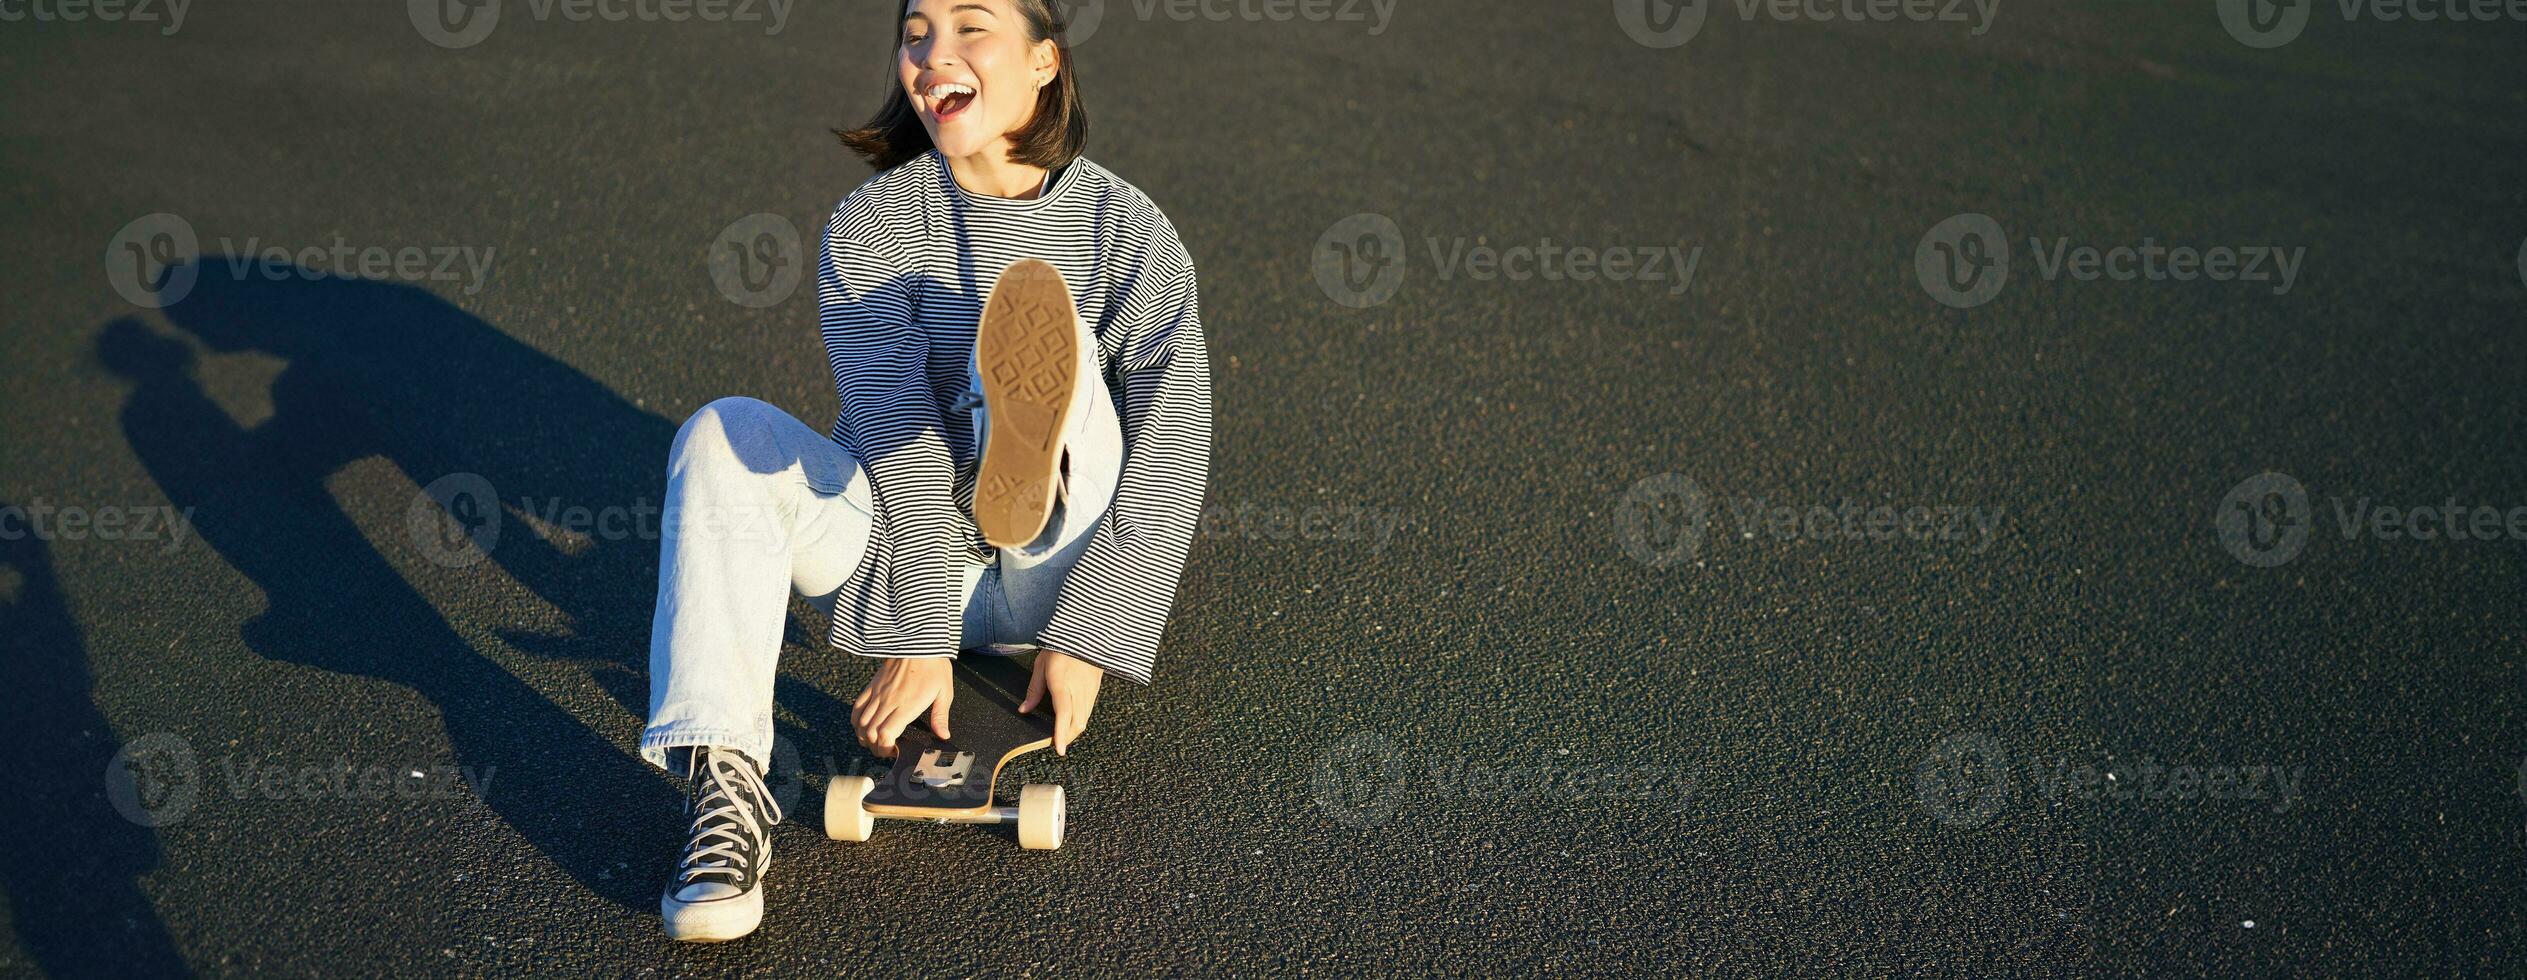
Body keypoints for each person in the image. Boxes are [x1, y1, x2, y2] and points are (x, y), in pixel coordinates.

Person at [638, 0, 1214, 942]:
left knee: (1070, 366)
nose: (931, 54)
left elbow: (1175, 436)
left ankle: (1028, 421)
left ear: (1043, 63)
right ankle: (726, 794)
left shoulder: (1125, 228)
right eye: (915, 32)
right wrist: (916, 631)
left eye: (970, 26)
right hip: (911, 560)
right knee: (718, 432)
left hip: (1057, 568)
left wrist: (1096, 631)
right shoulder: (874, 224)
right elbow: (894, 427)